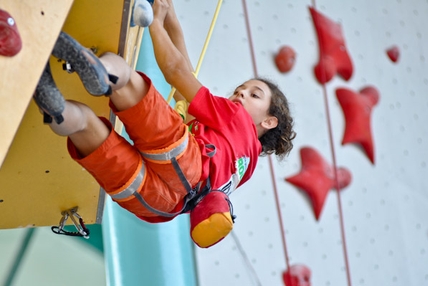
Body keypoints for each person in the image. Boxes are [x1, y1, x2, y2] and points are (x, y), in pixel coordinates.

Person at [33, 0, 296, 224]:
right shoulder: (241, 167)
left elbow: (176, 72)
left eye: (254, 94)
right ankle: (56, 109)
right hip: (159, 205)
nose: (240, 94)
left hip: (185, 160)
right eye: (240, 89)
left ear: (269, 121)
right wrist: (171, 18)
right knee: (86, 124)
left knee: (127, 81)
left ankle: (101, 72)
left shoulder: (236, 118)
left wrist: (155, 22)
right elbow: (185, 86)